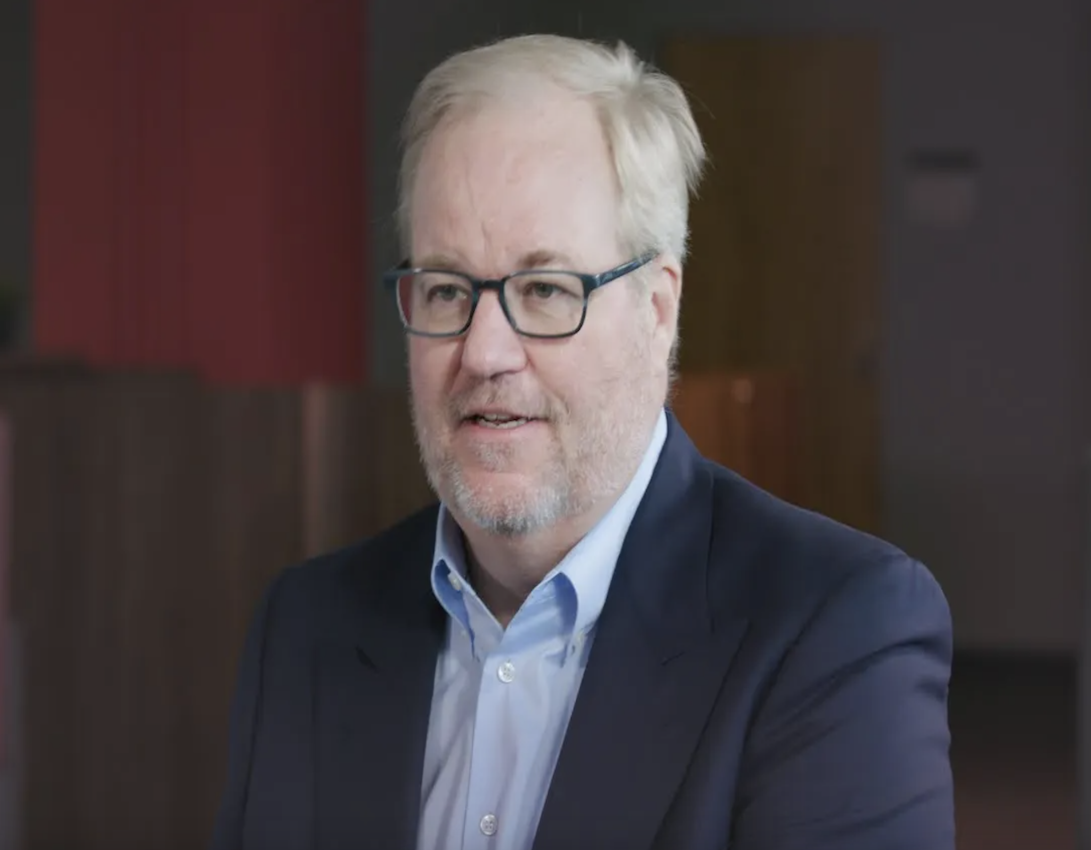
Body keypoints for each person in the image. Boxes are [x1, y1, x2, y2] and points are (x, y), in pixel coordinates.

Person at [209, 34, 954, 850]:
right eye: (449, 289)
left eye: (544, 289)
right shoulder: (305, 626)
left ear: (657, 310)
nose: (484, 353)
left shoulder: (835, 631)